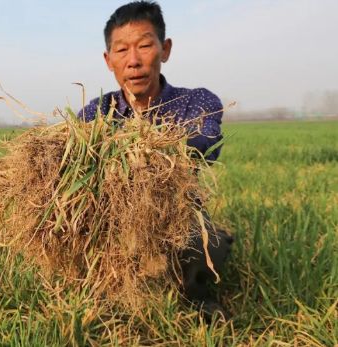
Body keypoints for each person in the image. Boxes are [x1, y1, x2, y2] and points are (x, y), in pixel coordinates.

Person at [78, 1, 233, 320]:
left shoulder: (197, 101)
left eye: (145, 46)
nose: (133, 61)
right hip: (114, 223)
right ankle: (109, 291)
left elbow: (205, 141)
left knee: (210, 242)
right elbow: (71, 155)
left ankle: (197, 299)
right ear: (109, 61)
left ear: (165, 49)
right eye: (121, 50)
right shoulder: (97, 112)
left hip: (176, 217)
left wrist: (150, 147)